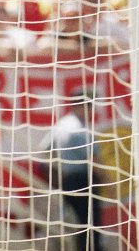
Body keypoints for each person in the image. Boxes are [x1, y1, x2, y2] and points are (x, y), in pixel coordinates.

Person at [42, 89, 103, 251]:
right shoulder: (80, 129)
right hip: (83, 181)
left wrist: (57, 175)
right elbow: (94, 160)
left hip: (67, 180)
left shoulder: (61, 125)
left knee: (77, 223)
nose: (91, 110)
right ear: (79, 106)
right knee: (89, 224)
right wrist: (108, 180)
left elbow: (46, 151)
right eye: (88, 106)